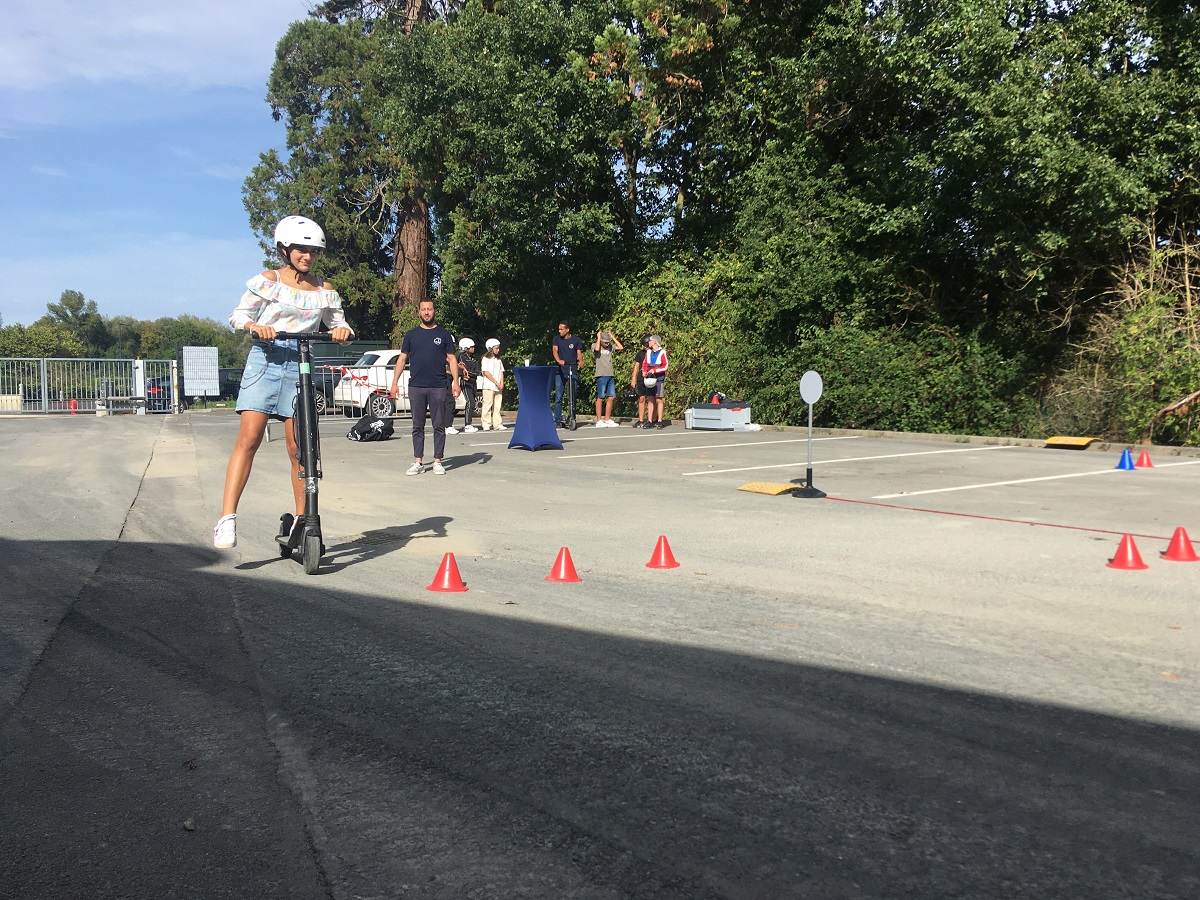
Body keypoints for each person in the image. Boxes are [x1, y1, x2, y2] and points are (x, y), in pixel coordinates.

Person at [214, 215, 354, 549]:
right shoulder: (268, 280)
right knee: (250, 439)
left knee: (299, 450)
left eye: (313, 251)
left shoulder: (325, 290)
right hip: (266, 358)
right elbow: (238, 315)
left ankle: (303, 523)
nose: (308, 256)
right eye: (301, 250)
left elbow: (341, 326)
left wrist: (342, 331)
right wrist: (254, 327)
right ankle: (227, 518)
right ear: (284, 249)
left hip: (300, 363)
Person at [388, 298, 460, 475]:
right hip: (416, 386)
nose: (427, 312)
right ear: (419, 312)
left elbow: (451, 359)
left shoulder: (444, 335)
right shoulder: (411, 335)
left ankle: (437, 460)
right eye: (423, 309)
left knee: (438, 425)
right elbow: (402, 359)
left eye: (429, 309)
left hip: (438, 386)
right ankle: (418, 462)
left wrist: (456, 382)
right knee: (417, 425)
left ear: (434, 311)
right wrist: (394, 383)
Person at [551, 320, 584, 427]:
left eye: (561, 329)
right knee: (559, 397)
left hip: (572, 369)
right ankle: (557, 419)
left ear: (567, 330)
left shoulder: (575, 340)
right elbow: (555, 350)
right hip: (560, 371)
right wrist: (559, 360)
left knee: (572, 396)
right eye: (559, 329)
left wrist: (580, 361)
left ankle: (572, 417)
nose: (559, 331)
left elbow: (579, 353)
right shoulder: (557, 339)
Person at [634, 334, 669, 428]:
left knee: (659, 399)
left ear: (654, 342)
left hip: (659, 379)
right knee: (650, 398)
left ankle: (660, 420)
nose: (648, 342)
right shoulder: (648, 353)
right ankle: (649, 420)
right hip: (649, 379)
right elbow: (645, 364)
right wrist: (644, 372)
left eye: (650, 341)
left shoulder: (662, 352)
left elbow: (665, 366)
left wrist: (655, 370)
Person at [592, 330, 624, 427]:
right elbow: (597, 349)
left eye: (608, 341)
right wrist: (598, 337)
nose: (607, 343)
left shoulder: (610, 347)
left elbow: (621, 347)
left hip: (610, 374)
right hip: (601, 374)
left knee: (612, 396)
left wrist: (612, 337)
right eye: (605, 341)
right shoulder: (595, 345)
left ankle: (607, 418)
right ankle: (599, 420)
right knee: (601, 397)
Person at [480, 338, 506, 430]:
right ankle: (486, 423)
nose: (498, 350)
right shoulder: (485, 359)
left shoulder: (498, 360)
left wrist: (501, 383)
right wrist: (495, 382)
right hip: (489, 385)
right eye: (496, 348)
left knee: (497, 406)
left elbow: (502, 371)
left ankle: (497, 424)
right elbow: (486, 372)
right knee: (488, 404)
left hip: (498, 386)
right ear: (490, 348)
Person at [456, 338, 480, 433]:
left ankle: (469, 423)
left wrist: (474, 373)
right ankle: (467, 425)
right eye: (471, 347)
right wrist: (472, 373)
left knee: (471, 402)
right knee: (470, 402)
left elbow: (476, 371)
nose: (473, 348)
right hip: (466, 382)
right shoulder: (462, 357)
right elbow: (465, 371)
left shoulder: (473, 358)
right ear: (466, 348)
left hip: (473, 382)